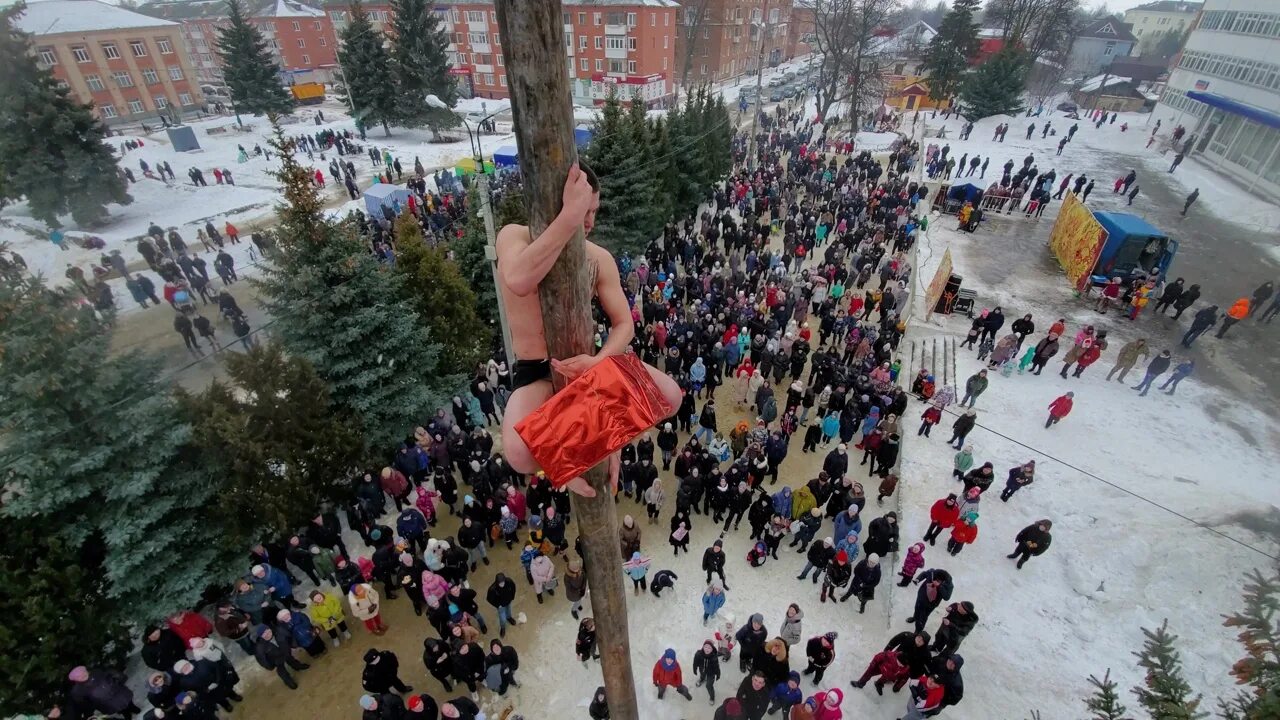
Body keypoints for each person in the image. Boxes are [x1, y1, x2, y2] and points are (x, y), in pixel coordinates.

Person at [495, 163, 682, 496]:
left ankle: (602, 443)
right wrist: (569, 218)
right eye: (586, 210)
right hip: (538, 372)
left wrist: (599, 362)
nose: (591, 222)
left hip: (588, 364)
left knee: (669, 395)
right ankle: (574, 457)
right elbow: (519, 280)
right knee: (518, 453)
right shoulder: (514, 235)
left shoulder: (598, 257)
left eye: (594, 210)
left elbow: (625, 325)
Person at [693, 639, 723, 704]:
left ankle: (712, 697)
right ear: (703, 647)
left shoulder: (714, 657)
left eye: (709, 648)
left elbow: (716, 667)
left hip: (711, 673)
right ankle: (702, 679)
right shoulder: (698, 654)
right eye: (705, 647)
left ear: (712, 649)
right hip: (702, 669)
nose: (707, 649)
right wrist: (694, 669)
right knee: (702, 675)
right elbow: (695, 662)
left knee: (709, 686)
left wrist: (718, 674)